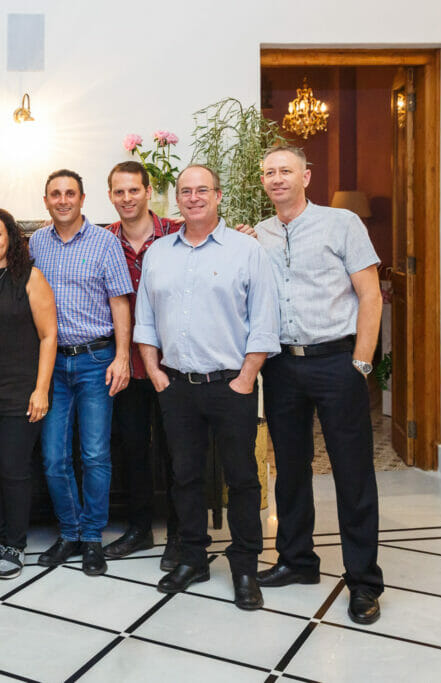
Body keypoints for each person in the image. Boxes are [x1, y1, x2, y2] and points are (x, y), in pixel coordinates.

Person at [134, 164, 280, 610]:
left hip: (231, 385)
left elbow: (264, 320)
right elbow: (145, 319)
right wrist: (156, 373)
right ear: (176, 200)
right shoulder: (159, 253)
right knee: (185, 477)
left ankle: (245, 568)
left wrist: (246, 378)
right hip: (176, 386)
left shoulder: (246, 250)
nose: (194, 198)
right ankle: (193, 559)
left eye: (202, 190)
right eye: (186, 191)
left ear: (218, 196)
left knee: (242, 479)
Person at [255, 145, 385, 624]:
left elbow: (370, 295)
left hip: (337, 363)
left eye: (285, 171)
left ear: (306, 176)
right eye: (269, 172)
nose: (277, 179)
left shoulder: (341, 224)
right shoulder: (259, 235)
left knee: (353, 473)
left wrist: (361, 364)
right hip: (281, 365)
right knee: (290, 469)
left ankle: (364, 582)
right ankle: (297, 560)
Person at [28, 169, 134, 576]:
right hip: (52, 365)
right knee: (54, 457)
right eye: (55, 194)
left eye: (69, 193)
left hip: (95, 361)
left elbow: (120, 303)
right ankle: (69, 532)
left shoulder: (105, 243)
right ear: (46, 201)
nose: (62, 200)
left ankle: (91, 537)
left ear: (83, 198)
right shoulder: (37, 243)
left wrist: (122, 357)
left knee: (94, 455)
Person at [0, 208, 57, 579]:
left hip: (21, 393)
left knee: (13, 470)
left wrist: (41, 390)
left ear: (11, 238)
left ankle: (15, 545)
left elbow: (49, 335)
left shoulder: (31, 277)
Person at [102, 161, 181, 569]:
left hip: (173, 363)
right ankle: (139, 528)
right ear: (110, 196)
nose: (127, 198)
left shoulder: (178, 232)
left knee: (177, 450)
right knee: (132, 449)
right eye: (119, 192)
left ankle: (181, 535)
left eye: (134, 190)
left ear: (149, 191)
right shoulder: (102, 240)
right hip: (126, 364)